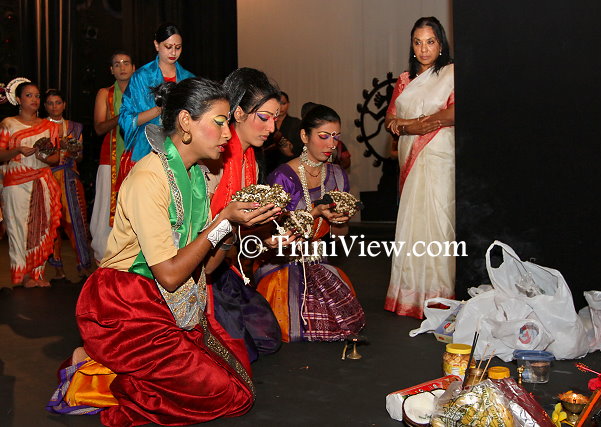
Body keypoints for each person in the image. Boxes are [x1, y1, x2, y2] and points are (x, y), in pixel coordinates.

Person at [47, 77, 280, 426]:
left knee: (239, 380)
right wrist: (223, 222)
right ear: (186, 122)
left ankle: (109, 362)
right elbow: (169, 273)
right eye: (219, 123)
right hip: (126, 300)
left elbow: (208, 263)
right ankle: (95, 373)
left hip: (174, 299)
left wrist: (233, 227)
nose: (229, 134)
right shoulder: (148, 178)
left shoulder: (197, 177)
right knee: (224, 393)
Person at [255, 103, 366, 342]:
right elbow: (271, 235)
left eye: (336, 137)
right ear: (305, 136)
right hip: (284, 264)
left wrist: (339, 221)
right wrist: (314, 212)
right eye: (323, 136)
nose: (331, 144)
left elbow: (338, 235)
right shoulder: (283, 176)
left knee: (348, 322)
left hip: (320, 262)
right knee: (292, 328)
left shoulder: (337, 175)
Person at [203, 67, 285, 362]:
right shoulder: (214, 159)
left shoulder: (251, 158)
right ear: (237, 113)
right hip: (199, 270)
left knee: (265, 339)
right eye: (264, 117)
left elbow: (240, 232)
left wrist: (268, 237)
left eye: (275, 118)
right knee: (235, 354)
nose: (272, 128)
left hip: (225, 264)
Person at [384, 16, 455, 319]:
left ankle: (442, 298)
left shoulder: (452, 74)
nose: (424, 49)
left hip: (440, 159)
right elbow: (390, 121)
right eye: (418, 42)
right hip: (411, 163)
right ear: (411, 47)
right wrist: (405, 125)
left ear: (441, 45)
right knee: (412, 226)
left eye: (430, 41)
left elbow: (453, 114)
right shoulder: (404, 81)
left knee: (439, 225)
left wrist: (412, 125)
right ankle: (410, 295)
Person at [0, 78, 62, 288]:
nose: (34, 100)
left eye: (37, 96)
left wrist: (43, 155)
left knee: (41, 227)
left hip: (41, 180)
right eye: (29, 96)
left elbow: (55, 158)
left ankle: (37, 274)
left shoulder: (49, 126)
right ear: (18, 99)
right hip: (16, 183)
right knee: (19, 229)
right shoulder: (8, 124)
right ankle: (22, 275)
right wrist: (17, 150)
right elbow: (1, 154)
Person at [118, 23, 194, 179]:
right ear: (156, 45)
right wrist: (159, 110)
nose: (173, 52)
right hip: (146, 150)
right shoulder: (141, 77)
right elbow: (125, 117)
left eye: (178, 47)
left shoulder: (188, 78)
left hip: (180, 151)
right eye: (168, 47)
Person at [90, 51, 135, 263]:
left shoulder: (143, 94)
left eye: (126, 63)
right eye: (116, 64)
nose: (122, 67)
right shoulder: (105, 93)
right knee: (105, 210)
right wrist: (123, 116)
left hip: (138, 158)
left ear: (134, 68)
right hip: (111, 160)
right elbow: (99, 127)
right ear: (111, 70)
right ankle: (104, 258)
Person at [43, 89, 92, 279]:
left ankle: (83, 264)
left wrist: (72, 151)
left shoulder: (75, 127)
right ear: (45, 106)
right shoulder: (40, 127)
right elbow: (42, 156)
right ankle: (57, 268)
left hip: (70, 177)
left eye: (58, 102)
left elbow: (79, 157)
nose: (54, 106)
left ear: (64, 105)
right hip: (49, 179)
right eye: (50, 103)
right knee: (52, 224)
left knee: (76, 222)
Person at [262, 91, 303, 174]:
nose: (281, 107)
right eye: (278, 103)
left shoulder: (296, 123)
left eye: (283, 103)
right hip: (266, 166)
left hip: (289, 165)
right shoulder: (265, 121)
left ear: (288, 104)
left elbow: (299, 148)